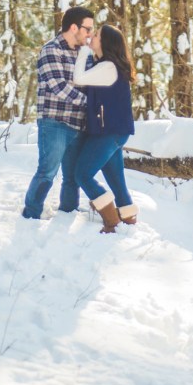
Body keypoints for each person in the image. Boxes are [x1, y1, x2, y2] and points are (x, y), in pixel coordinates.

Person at [21, 6, 95, 219]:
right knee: (47, 172)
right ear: (74, 27)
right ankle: (31, 213)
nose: (90, 34)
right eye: (87, 29)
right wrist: (89, 103)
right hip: (54, 123)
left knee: (72, 176)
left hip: (78, 123)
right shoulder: (51, 49)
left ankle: (68, 212)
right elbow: (58, 86)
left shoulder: (83, 54)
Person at [73, 24, 138, 233]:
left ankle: (111, 219)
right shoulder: (105, 65)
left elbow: (78, 78)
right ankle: (128, 216)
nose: (92, 36)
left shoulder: (108, 67)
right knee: (115, 177)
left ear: (106, 42)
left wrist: (83, 49)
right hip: (113, 130)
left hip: (110, 131)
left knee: (82, 174)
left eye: (97, 35)